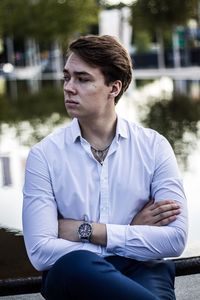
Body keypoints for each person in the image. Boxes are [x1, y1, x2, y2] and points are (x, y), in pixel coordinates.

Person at [23, 35, 188, 300]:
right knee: (75, 264)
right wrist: (131, 232)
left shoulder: (154, 146)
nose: (69, 87)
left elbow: (175, 239)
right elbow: (41, 251)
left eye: (83, 78)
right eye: (67, 77)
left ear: (114, 88)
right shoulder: (44, 156)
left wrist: (87, 231)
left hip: (142, 268)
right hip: (78, 272)